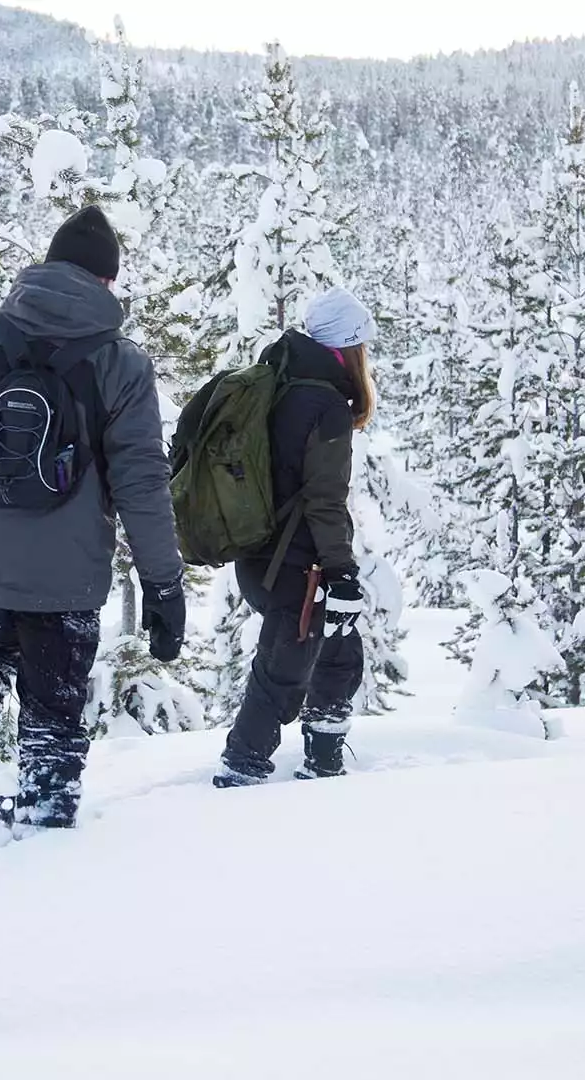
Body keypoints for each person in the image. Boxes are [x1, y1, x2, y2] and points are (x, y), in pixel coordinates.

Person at [0, 206, 186, 829]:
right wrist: (163, 582)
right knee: (51, 712)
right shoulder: (121, 364)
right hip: (64, 577)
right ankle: (41, 840)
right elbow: (142, 485)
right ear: (107, 282)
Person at [214, 287, 378, 788]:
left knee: (339, 652)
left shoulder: (280, 383)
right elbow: (323, 500)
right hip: (298, 568)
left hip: (260, 557)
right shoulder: (325, 405)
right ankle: (239, 772)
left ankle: (324, 765)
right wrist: (342, 572)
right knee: (281, 675)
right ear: (349, 348)